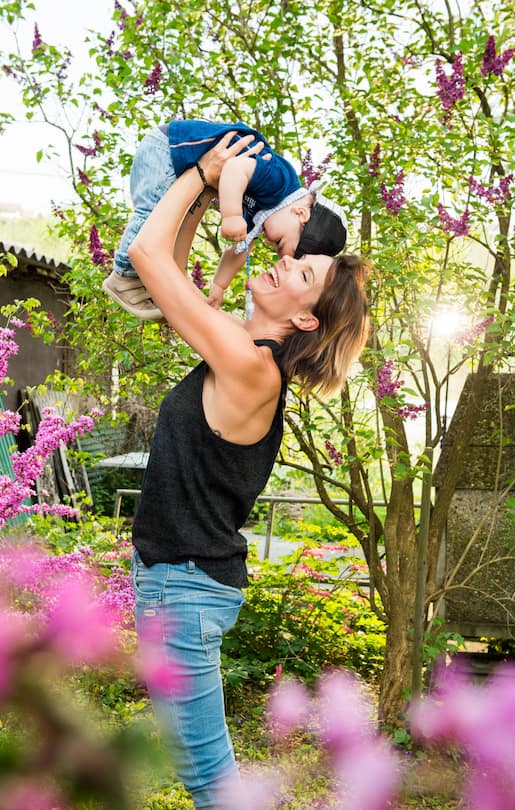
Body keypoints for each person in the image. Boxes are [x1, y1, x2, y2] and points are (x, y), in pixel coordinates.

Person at [128, 131, 370, 810]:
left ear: (304, 320)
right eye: (298, 260)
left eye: (303, 275)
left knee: (213, 785)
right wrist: (203, 199)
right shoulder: (241, 348)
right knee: (211, 781)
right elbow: (167, 276)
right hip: (182, 583)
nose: (285, 261)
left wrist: (205, 172)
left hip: (183, 588)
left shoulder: (250, 367)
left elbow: (146, 256)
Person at [103, 119, 348, 319]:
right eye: (279, 242)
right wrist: (231, 216)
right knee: (151, 215)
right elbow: (234, 169)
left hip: (181, 167)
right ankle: (123, 276)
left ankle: (148, 281)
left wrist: (218, 287)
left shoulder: (267, 211)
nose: (269, 241)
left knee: (166, 226)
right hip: (168, 150)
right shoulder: (279, 180)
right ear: (301, 214)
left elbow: (239, 251)